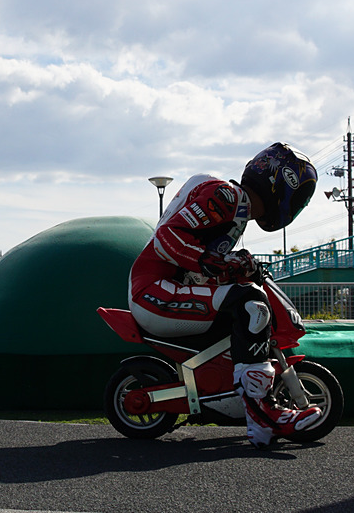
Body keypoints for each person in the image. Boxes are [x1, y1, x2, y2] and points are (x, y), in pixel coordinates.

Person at [128, 142, 321, 448]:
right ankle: (263, 417)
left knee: (245, 305)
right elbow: (167, 237)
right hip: (156, 292)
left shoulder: (236, 210)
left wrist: (234, 265)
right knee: (251, 303)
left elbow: (200, 265)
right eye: (297, 198)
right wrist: (214, 261)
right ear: (282, 185)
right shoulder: (225, 196)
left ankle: (243, 398)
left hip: (169, 289)